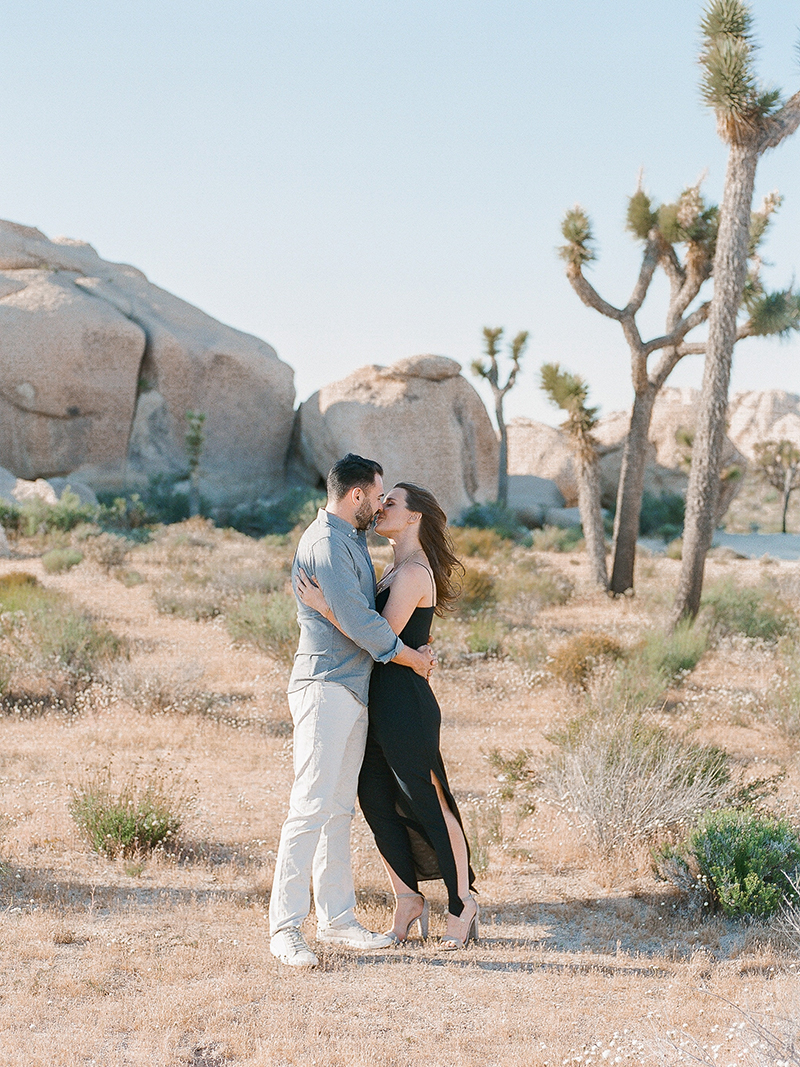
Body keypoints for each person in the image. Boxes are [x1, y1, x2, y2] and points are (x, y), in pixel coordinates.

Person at [269, 455, 436, 968]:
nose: (382, 504)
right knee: (310, 805)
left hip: (351, 689)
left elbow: (357, 614)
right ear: (357, 495)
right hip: (325, 687)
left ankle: (337, 919)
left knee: (337, 808)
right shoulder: (326, 544)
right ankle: (285, 929)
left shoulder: (350, 541)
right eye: (378, 494)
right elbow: (360, 621)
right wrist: (410, 656)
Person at [297, 481, 477, 950]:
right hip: (376, 702)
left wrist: (323, 606)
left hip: (404, 705)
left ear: (413, 516)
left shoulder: (414, 571)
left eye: (390, 503)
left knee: (430, 801)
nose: (380, 507)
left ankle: (463, 904)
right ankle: (407, 899)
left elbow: (379, 640)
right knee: (376, 802)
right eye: (381, 500)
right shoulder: (393, 568)